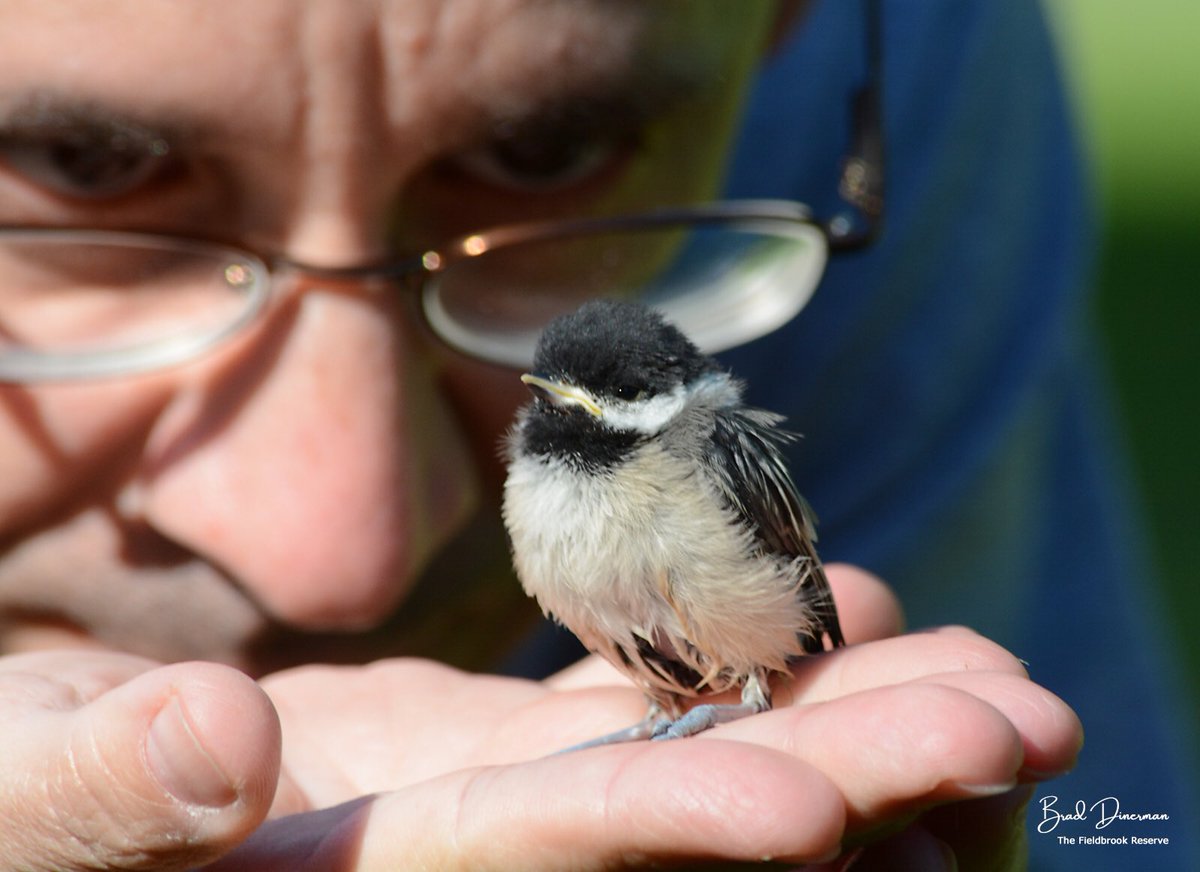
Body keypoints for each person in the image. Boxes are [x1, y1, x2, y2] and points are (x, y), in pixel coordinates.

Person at [0, 2, 1188, 870]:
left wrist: (735, 702)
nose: (343, 553)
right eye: (88, 164)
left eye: (537, 154)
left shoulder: (909, 80)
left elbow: (1101, 826)